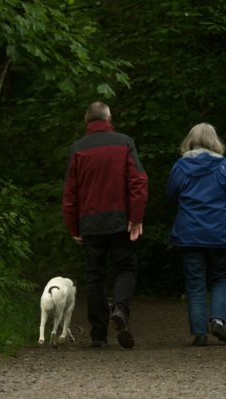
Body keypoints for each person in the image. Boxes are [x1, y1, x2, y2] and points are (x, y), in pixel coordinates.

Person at [62, 102, 148, 348]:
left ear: (86, 119)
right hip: (121, 219)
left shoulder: (77, 148)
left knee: (95, 276)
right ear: (110, 117)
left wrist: (73, 227)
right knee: (125, 269)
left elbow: (70, 192)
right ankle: (119, 309)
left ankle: (98, 335)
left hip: (90, 221)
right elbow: (138, 181)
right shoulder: (124, 142)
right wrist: (136, 216)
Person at [167, 123, 226, 346]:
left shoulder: (180, 167)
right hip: (219, 231)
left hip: (189, 232)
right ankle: (218, 322)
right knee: (220, 277)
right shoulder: (224, 166)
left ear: (190, 141)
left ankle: (200, 333)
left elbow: (171, 194)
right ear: (214, 141)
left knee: (194, 282)